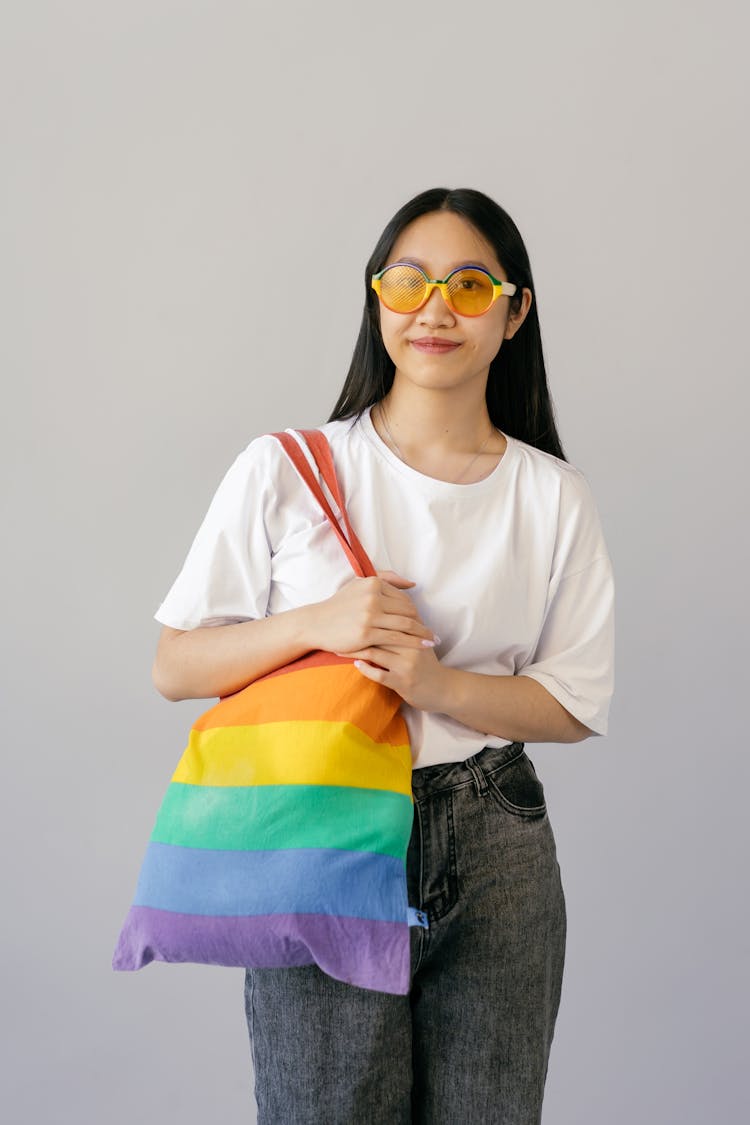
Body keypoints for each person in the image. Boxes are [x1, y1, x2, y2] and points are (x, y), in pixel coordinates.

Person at [151, 187, 615, 1124]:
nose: (434, 308)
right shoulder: (285, 467)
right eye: (407, 281)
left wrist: (438, 686)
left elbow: (572, 704)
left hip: (495, 836)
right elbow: (177, 664)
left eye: (469, 285)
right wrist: (317, 623)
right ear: (377, 299)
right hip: (323, 827)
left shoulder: (553, 496)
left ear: (515, 312)